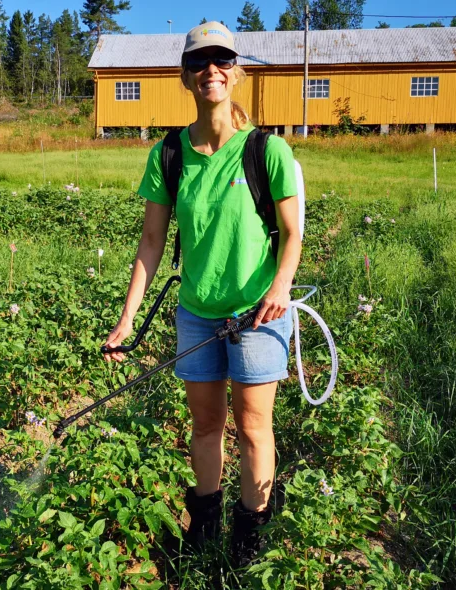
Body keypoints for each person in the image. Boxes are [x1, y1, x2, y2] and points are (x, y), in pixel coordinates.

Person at [101, 21, 302, 568]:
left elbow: (293, 232)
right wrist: (127, 320)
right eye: (199, 62)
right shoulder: (170, 153)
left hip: (257, 312)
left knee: (253, 426)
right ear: (185, 76)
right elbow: (150, 241)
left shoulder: (266, 150)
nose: (210, 69)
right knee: (206, 425)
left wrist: (280, 287)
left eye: (221, 60)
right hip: (196, 314)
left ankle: (249, 532)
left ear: (234, 72)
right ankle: (206, 520)